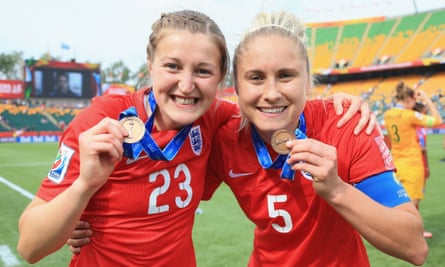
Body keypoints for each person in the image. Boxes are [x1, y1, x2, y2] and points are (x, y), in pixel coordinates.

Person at [17, 10, 372, 266]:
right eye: (173, 66)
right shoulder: (103, 121)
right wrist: (83, 189)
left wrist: (337, 104)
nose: (186, 86)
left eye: (202, 71)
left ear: (220, 79)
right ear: (150, 63)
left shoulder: (217, 118)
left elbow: (274, 107)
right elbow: (31, 247)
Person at [201, 12, 428, 266]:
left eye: (286, 75)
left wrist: (337, 190)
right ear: (238, 88)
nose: (272, 93)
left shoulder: (347, 124)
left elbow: (414, 246)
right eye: (256, 78)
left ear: (307, 80)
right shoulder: (225, 139)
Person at [384, 82, 442, 239]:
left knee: (399, 199)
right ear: (409, 98)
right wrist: (428, 99)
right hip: (412, 163)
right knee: (413, 202)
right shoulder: (409, 115)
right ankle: (413, 233)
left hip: (396, 162)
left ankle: (402, 230)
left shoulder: (388, 114)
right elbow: (437, 120)